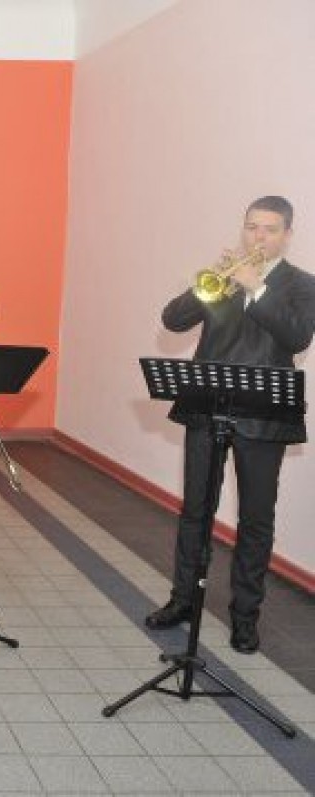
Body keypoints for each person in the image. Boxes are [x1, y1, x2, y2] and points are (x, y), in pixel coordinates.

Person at [146, 195, 315, 654]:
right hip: (207, 408)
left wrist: (257, 288)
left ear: (287, 235)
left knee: (255, 519)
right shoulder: (223, 277)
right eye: (251, 227)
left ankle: (245, 618)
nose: (258, 237)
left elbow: (297, 336)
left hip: (264, 418)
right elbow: (173, 320)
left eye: (269, 229)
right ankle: (183, 600)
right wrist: (211, 282)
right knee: (195, 510)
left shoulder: (302, 284)